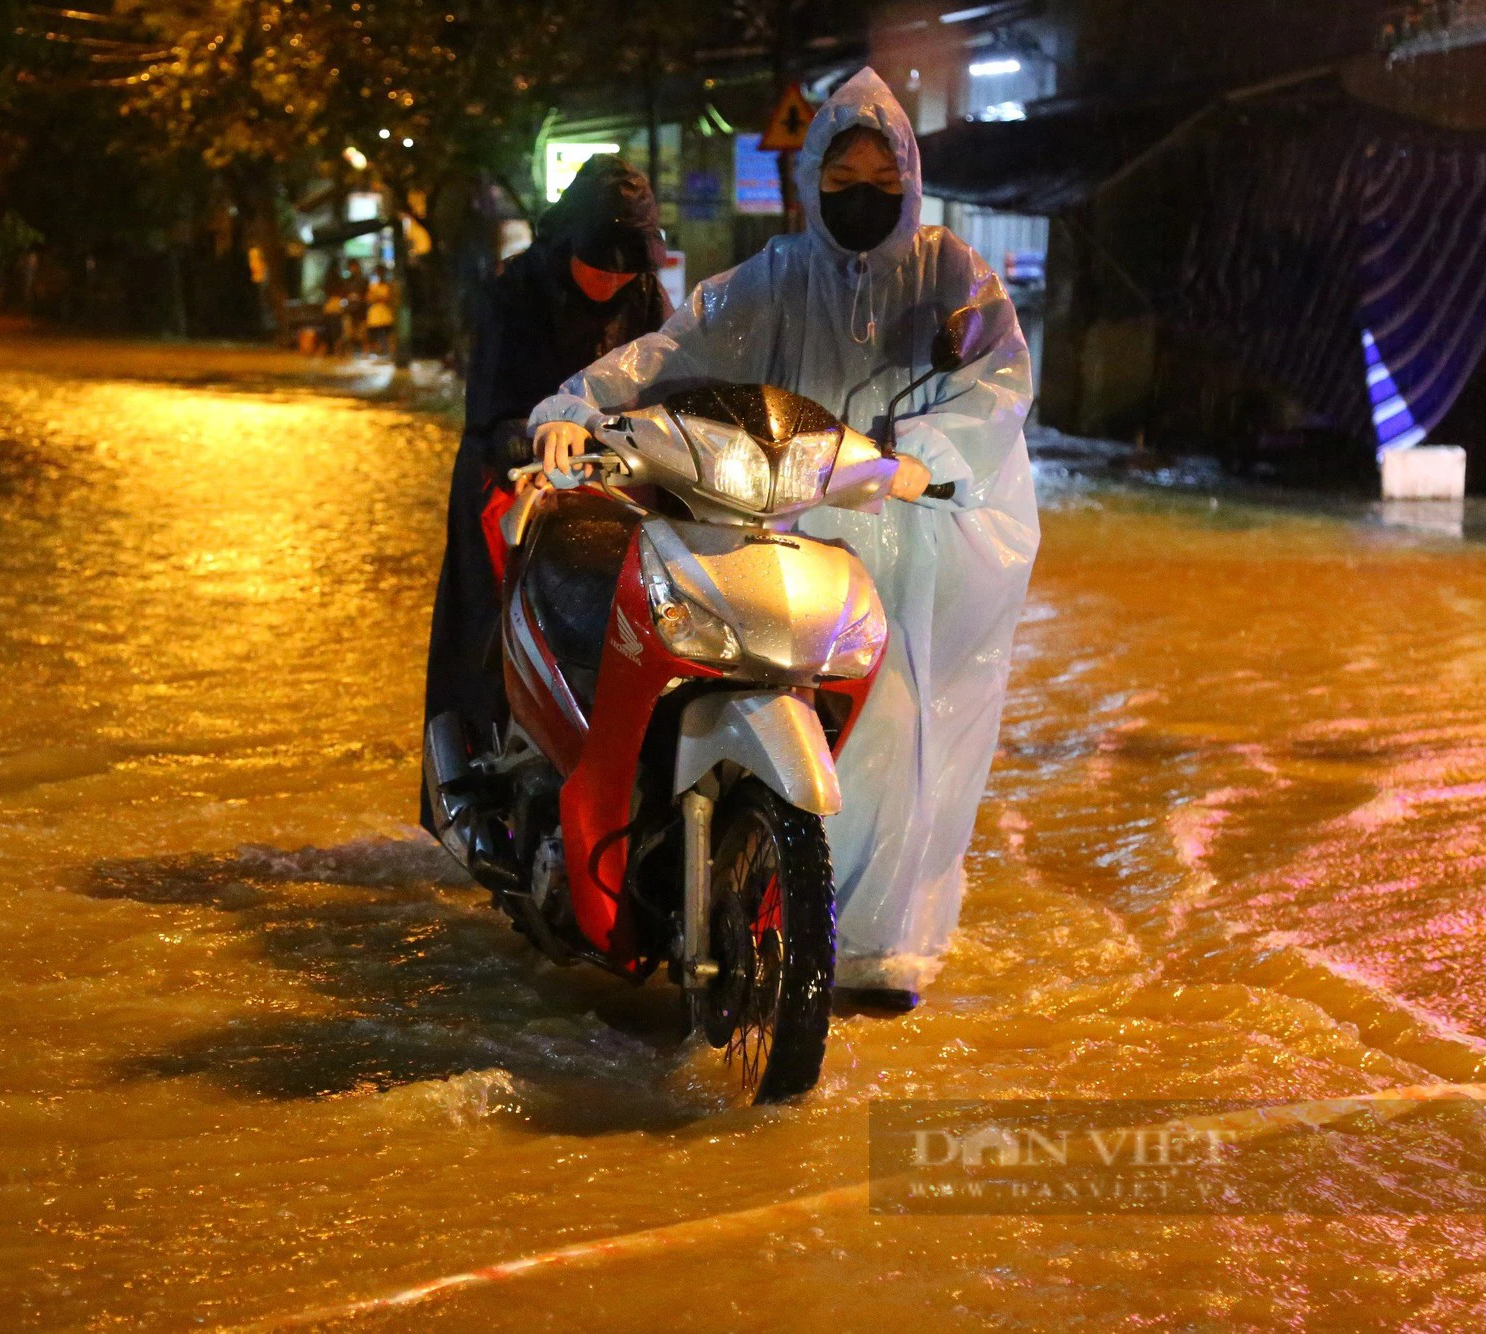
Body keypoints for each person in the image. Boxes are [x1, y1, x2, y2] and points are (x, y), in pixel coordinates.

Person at [528, 69, 1038, 1012]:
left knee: (907, 739)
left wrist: (921, 457)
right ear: (810, 178)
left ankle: (880, 946)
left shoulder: (953, 274)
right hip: (796, 527)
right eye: (839, 173)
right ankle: (746, 893)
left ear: (910, 176)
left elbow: (999, 377)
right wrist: (572, 405)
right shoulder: (770, 282)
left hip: (920, 543)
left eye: (878, 174)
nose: (859, 193)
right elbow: (666, 355)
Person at [420, 155, 672, 835]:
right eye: (601, 264)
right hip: (510, 471)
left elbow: (675, 379)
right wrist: (533, 450)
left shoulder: (645, 296)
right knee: (490, 622)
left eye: (627, 267)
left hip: (611, 477)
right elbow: (492, 411)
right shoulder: (515, 293)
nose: (614, 279)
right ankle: (476, 792)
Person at [365, 263, 397, 359]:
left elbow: (390, 298)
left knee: (387, 332)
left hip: (385, 312)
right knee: (375, 333)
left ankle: (389, 351)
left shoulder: (389, 285)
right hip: (375, 313)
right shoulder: (373, 285)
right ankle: (378, 350)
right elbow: (369, 297)